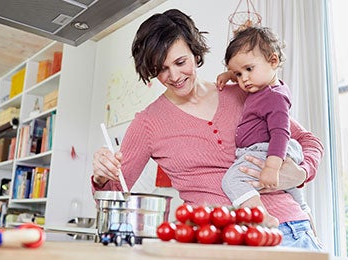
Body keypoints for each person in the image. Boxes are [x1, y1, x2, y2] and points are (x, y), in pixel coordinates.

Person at [91, 9, 324, 250]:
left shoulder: (244, 92)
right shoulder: (148, 123)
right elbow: (115, 195)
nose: (174, 76)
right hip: (217, 242)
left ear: (195, 51)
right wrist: (101, 176)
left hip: (288, 230)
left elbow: (307, 140)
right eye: (161, 69)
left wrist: (302, 172)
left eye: (181, 62)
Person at [216, 26, 312, 228]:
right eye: (238, 74)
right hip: (268, 150)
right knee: (292, 189)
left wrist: (271, 166)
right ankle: (305, 213)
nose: (244, 79)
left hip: (266, 151)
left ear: (273, 61)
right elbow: (247, 71)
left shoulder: (274, 98)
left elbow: (280, 133)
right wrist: (230, 76)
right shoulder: (266, 87)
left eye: (248, 70)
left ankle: (262, 218)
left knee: (232, 181)